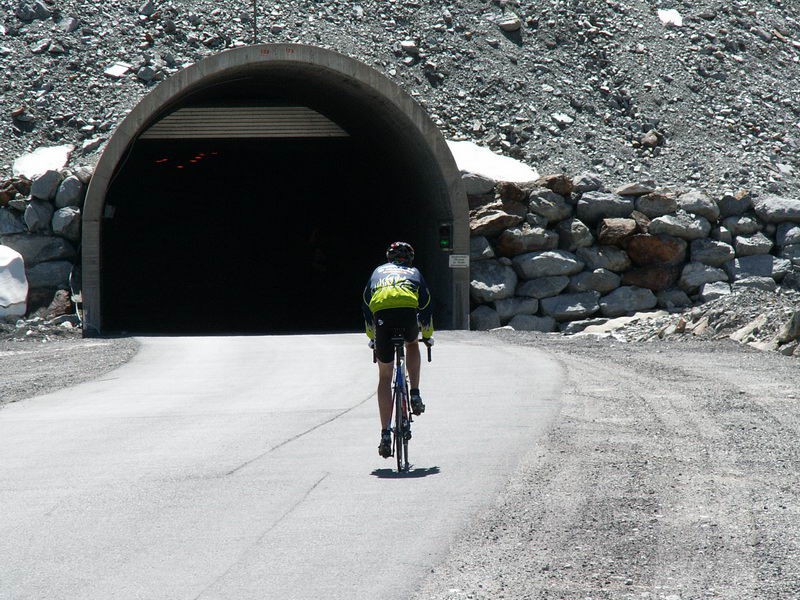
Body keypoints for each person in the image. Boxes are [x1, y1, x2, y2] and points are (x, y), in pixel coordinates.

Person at [362, 241, 434, 458]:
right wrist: (428, 337)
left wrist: (372, 338)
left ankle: (385, 433)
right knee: (412, 343)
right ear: (410, 259)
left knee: (385, 377)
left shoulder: (377, 272)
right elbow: (426, 304)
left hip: (382, 317)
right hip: (407, 313)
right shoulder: (413, 272)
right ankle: (415, 393)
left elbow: (366, 304)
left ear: (388, 258)